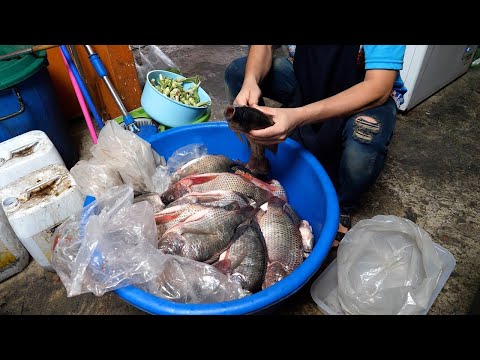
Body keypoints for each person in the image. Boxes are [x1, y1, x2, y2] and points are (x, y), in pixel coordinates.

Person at [224, 45, 407, 253]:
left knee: (365, 134)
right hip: (309, 83)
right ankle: (259, 157)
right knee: (238, 71)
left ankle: (341, 206)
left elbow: (378, 88)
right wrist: (251, 80)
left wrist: (297, 116)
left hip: (364, 96)